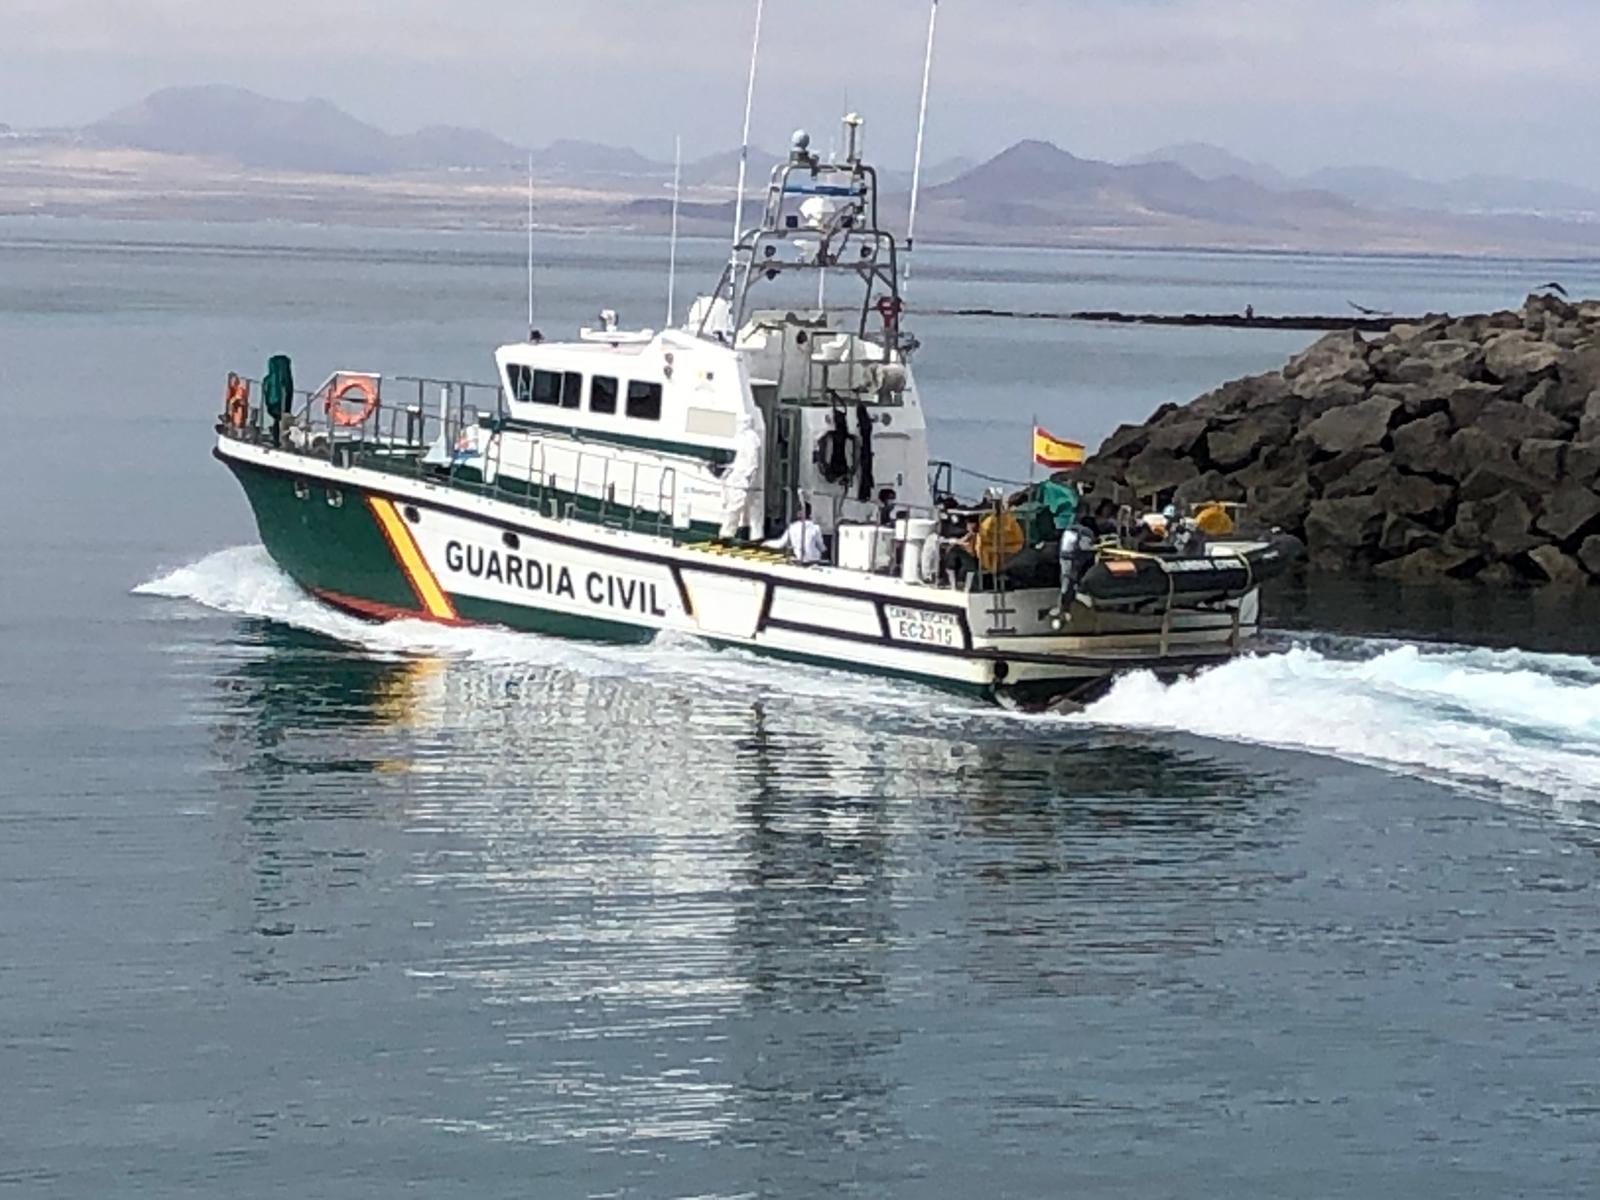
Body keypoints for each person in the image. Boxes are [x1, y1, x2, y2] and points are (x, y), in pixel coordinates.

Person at [718, 412, 765, 539]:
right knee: (753, 507)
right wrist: (729, 469)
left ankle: (727, 534)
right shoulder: (744, 437)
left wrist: (749, 477)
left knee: (736, 505)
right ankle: (756, 535)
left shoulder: (750, 438)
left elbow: (752, 460)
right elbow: (741, 458)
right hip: (742, 475)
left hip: (744, 477)